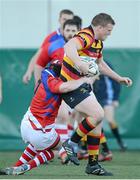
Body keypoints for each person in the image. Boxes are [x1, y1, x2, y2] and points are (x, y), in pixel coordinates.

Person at [59, 13, 132, 176]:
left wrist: (118, 78)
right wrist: (79, 64)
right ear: (99, 27)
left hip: (82, 86)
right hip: (71, 85)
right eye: (108, 30)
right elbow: (68, 47)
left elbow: (101, 65)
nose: (109, 33)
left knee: (97, 122)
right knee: (98, 114)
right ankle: (71, 143)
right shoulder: (86, 36)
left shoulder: (98, 43)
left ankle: (93, 164)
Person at [0, 61, 97, 175]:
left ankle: (16, 167)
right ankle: (27, 167)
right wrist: (84, 80)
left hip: (26, 124)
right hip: (39, 130)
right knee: (56, 149)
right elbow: (64, 87)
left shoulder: (46, 75)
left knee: (37, 145)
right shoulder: (54, 82)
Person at [22, 9, 74, 84]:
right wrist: (29, 71)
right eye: (64, 19)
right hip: (53, 76)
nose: (66, 21)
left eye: (69, 19)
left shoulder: (78, 36)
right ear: (59, 20)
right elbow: (38, 55)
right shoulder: (51, 38)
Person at [93, 60, 127, 151]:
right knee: (95, 121)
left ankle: (120, 142)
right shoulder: (86, 60)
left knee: (110, 120)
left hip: (107, 97)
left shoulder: (104, 63)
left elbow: (116, 81)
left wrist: (115, 99)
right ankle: (100, 148)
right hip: (95, 97)